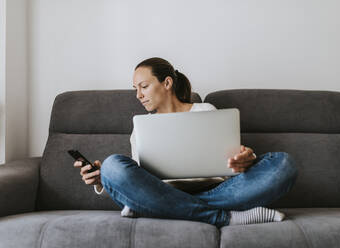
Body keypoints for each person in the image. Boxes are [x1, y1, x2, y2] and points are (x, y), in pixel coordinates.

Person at [73, 57, 298, 227]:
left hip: (220, 191)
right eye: (136, 89)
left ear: (167, 82)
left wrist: (246, 159)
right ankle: (223, 217)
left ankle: (159, 210)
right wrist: (101, 178)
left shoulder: (205, 111)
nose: (138, 95)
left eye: (144, 86)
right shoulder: (141, 128)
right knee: (112, 166)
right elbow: (139, 178)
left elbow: (232, 160)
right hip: (162, 192)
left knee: (284, 164)